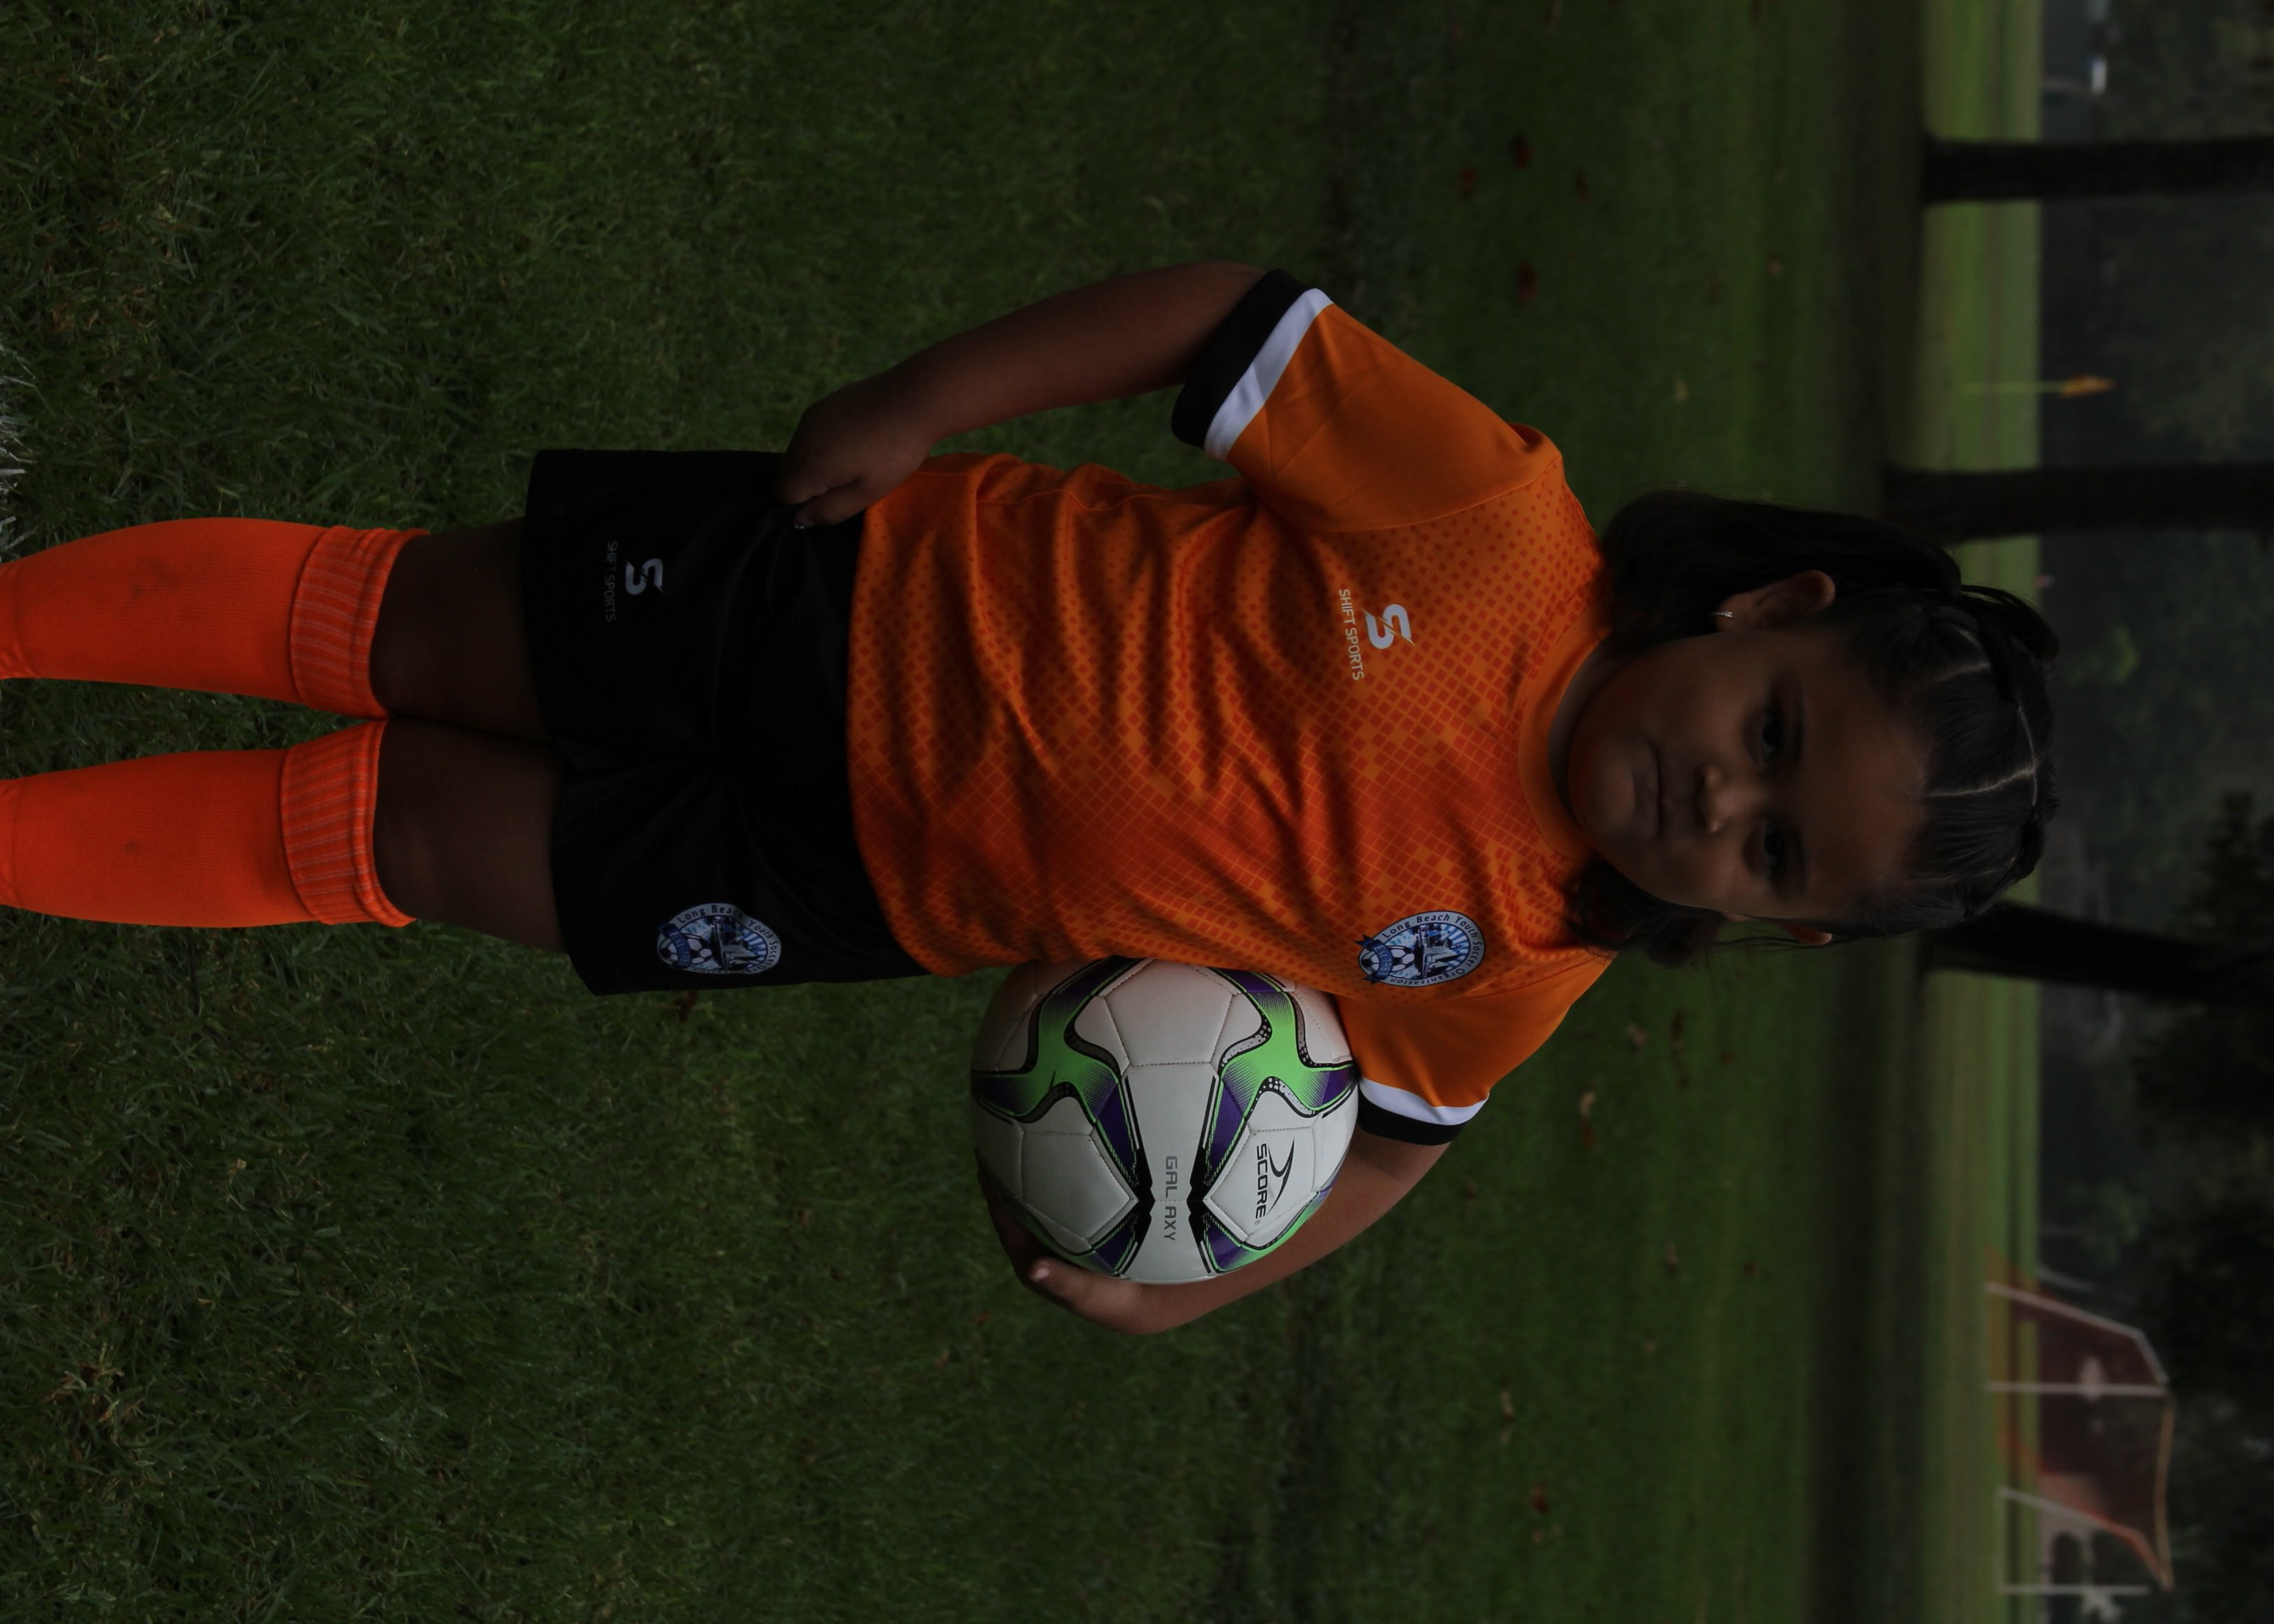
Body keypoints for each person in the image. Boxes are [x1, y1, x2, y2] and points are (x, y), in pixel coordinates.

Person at [0, 262, 2056, 1332]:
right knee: (402, 628)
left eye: (1767, 848)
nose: (1712, 797)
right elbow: (1223, 322)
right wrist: (920, 402)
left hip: (855, 883)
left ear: (1778, 921)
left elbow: (1391, 1148)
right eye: (1769, 732)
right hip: (838, 597)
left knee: (418, 847)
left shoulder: (1516, 961)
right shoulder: (1490, 526)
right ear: (1770, 609)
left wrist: (1187, 1282)